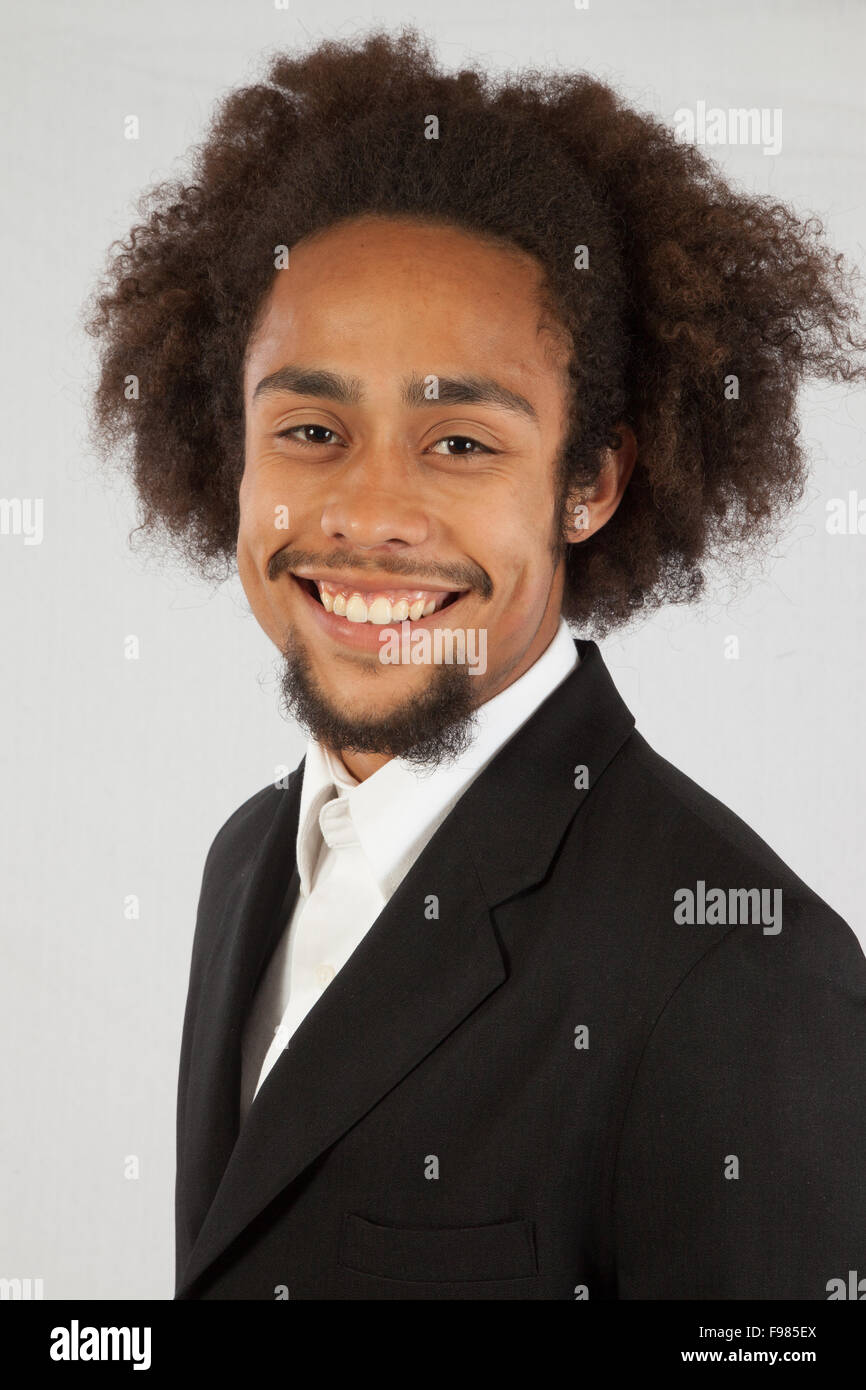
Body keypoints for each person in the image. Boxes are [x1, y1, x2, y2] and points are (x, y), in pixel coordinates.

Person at [84, 26, 866, 1300]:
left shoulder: (739, 972)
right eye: (310, 427)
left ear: (590, 481)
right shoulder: (247, 861)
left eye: (458, 443)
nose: (367, 511)